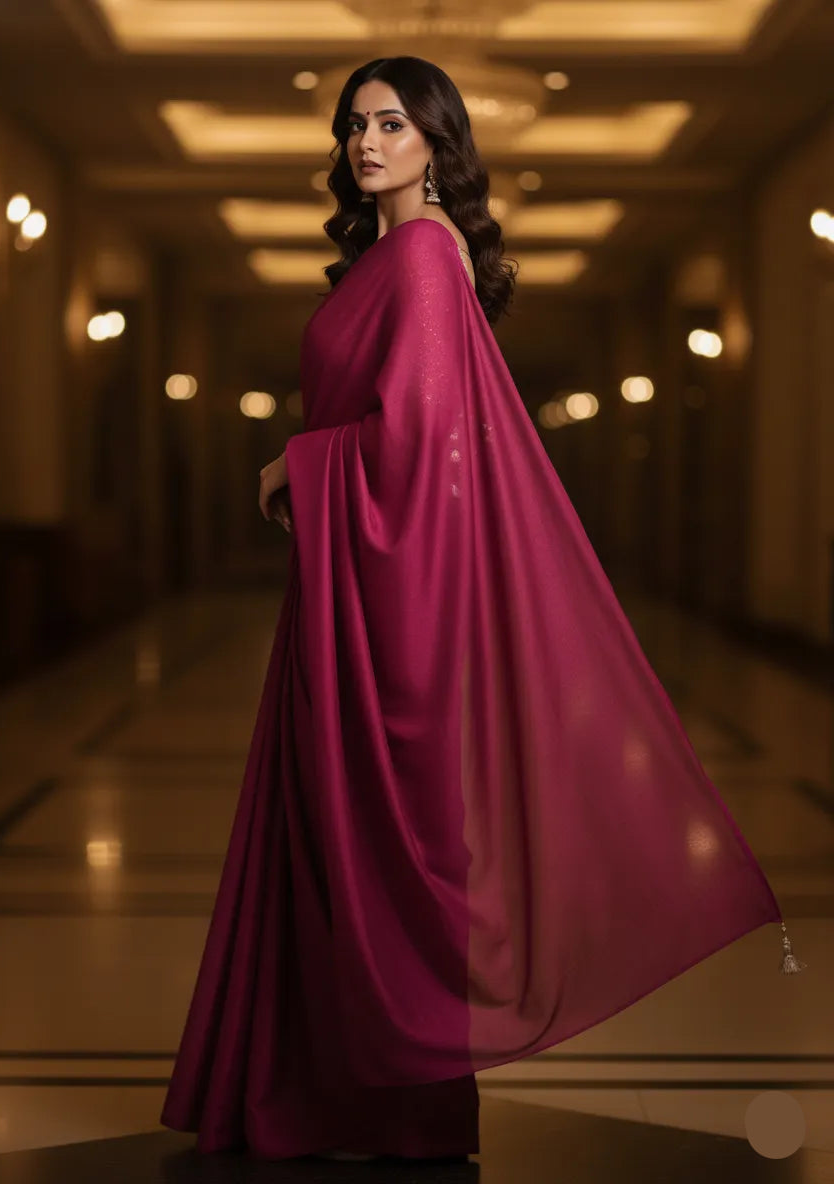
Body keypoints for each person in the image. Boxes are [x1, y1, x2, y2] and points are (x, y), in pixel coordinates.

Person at [159, 55, 805, 1163]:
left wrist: (294, 466)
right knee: (327, 836)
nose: (368, 142)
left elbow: (414, 444)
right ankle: (329, 1098)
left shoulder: (419, 254)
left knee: (362, 843)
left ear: (440, 143)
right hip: (349, 593)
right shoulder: (397, 256)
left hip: (385, 602)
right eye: (355, 124)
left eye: (394, 124)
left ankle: (375, 1103)